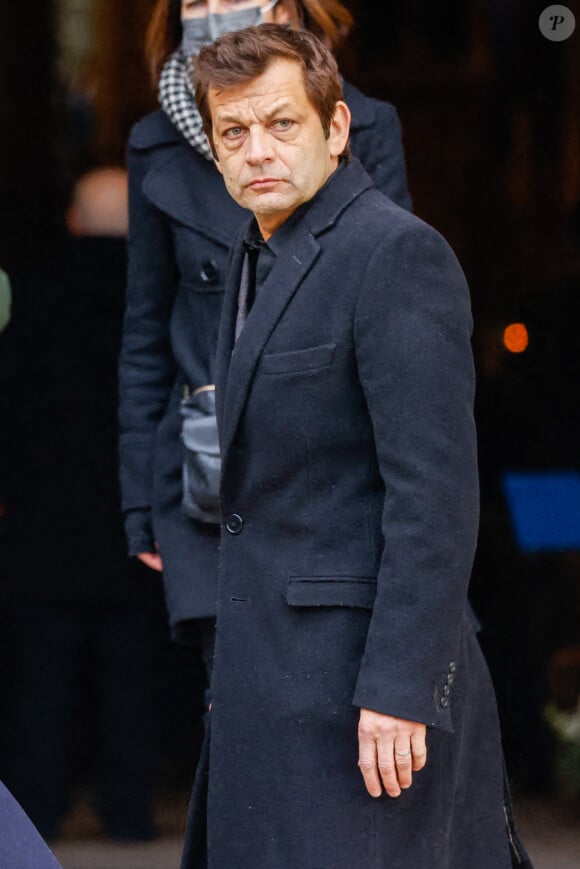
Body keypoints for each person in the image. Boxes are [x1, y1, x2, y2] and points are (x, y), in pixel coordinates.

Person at [180, 24, 533, 868]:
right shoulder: (251, 250)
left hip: (367, 700)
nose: (257, 150)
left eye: (282, 124)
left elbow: (435, 497)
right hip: (267, 685)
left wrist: (401, 690)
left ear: (336, 130)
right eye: (234, 132)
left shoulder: (398, 254)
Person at [119, 0, 412, 657]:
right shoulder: (154, 144)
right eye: (196, 2)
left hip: (334, 480)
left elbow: (396, 313)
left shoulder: (362, 124)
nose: (215, 13)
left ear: (284, 8)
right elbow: (145, 332)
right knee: (233, 711)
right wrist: (142, 501)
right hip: (211, 481)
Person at [1, 168, 160, 842]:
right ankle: (129, 810)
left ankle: (38, 808)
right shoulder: (164, 298)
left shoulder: (30, 296)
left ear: (72, 221)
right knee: (134, 683)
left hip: (42, 524)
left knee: (39, 686)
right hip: (138, 527)